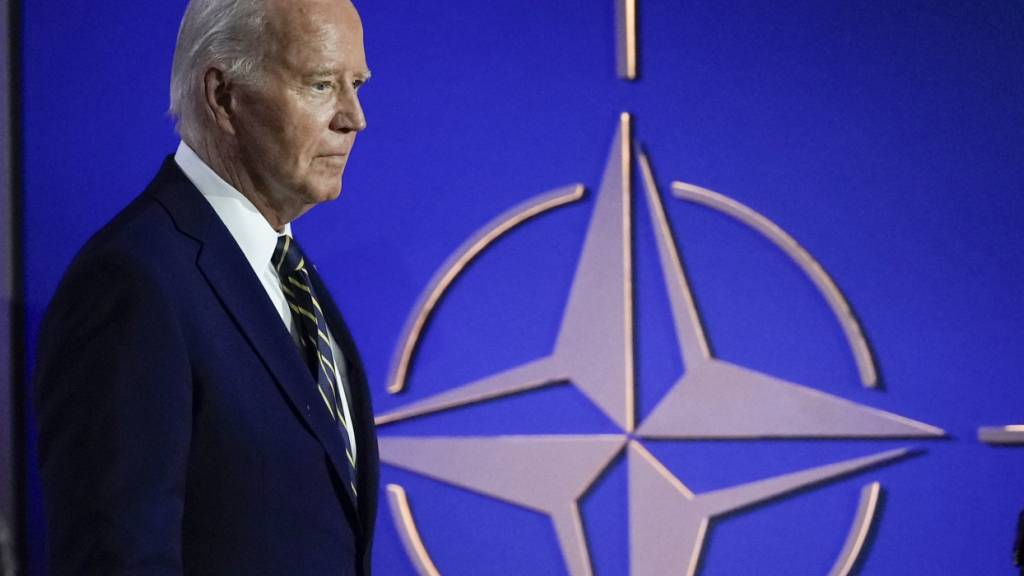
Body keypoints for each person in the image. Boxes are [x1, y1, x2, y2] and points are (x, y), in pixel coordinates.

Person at [32, 0, 378, 573]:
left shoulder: (285, 272)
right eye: (320, 85)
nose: (353, 117)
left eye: (357, 84)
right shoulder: (133, 283)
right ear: (223, 96)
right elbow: (120, 559)